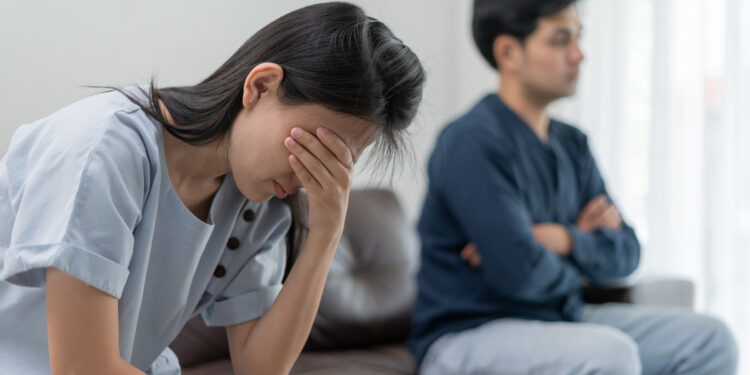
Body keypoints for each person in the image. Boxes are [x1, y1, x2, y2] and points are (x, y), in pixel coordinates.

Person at [0, 2, 425, 374]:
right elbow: (81, 369)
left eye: (337, 162)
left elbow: (260, 369)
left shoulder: (259, 207)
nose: (310, 175)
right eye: (312, 145)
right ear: (260, 87)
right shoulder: (104, 148)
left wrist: (327, 232)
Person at [410, 0, 738, 374]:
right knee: (609, 355)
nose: (579, 55)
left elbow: (627, 251)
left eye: (578, 38)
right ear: (508, 53)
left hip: (560, 319)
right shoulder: (470, 142)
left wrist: (561, 239)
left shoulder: (573, 145)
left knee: (711, 340)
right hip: (469, 334)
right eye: (560, 40)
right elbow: (519, 273)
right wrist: (581, 254)